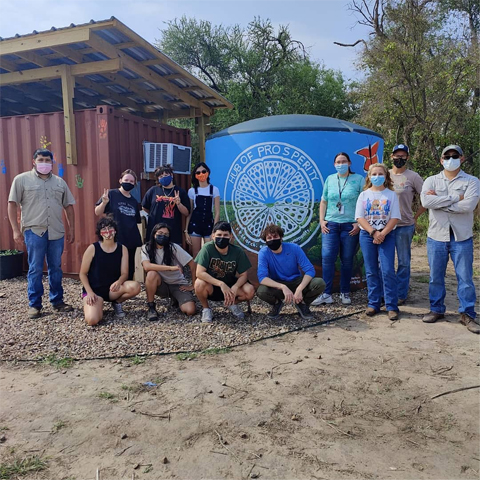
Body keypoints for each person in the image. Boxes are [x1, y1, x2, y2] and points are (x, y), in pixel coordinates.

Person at [7, 149, 76, 319]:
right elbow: (12, 204)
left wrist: (71, 229)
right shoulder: (21, 180)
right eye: (41, 159)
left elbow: (68, 206)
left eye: (47, 160)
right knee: (35, 268)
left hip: (56, 231)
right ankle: (35, 305)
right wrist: (16, 230)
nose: (44, 163)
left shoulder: (60, 183)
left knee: (56, 268)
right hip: (34, 231)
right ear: (34, 161)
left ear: (52, 162)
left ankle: (57, 301)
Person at [420, 145, 479, 334]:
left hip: (462, 236)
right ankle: (436, 309)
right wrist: (455, 198)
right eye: (447, 156)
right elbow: (426, 202)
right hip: (437, 235)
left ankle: (467, 314)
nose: (451, 159)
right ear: (441, 160)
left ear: (462, 158)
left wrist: (441, 202)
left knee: (465, 278)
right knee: (435, 277)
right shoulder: (431, 180)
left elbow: (468, 205)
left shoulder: (472, 181)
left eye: (455, 155)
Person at [312, 152, 364, 306]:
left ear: (349, 163)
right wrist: (322, 221)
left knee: (347, 260)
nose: (340, 164)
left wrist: (359, 223)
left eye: (343, 161)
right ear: (334, 165)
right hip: (331, 225)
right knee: (327, 258)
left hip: (350, 226)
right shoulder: (330, 179)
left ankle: (345, 292)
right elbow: (323, 201)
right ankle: (327, 294)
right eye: (338, 162)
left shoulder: (359, 179)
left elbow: (364, 202)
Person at [355, 163, 402, 320]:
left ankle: (391, 305)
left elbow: (395, 217)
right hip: (368, 235)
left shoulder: (391, 195)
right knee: (371, 270)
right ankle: (373, 303)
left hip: (387, 235)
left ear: (386, 176)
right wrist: (373, 232)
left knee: (387, 270)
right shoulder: (364, 195)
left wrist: (382, 233)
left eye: (380, 174)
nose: (377, 177)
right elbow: (359, 217)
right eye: (373, 174)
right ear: (369, 176)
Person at [79, 217, 141, 326]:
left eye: (110, 228)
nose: (108, 232)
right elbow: (83, 273)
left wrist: (118, 282)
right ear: (100, 232)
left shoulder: (122, 249)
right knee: (92, 320)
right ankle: (98, 305)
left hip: (112, 289)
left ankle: (117, 303)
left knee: (135, 286)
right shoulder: (93, 248)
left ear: (115, 230)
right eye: (104, 229)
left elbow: (124, 273)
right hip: (94, 290)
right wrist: (89, 292)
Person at [257, 224, 325, 319]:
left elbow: (309, 270)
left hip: (296, 281)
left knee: (319, 283)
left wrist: (300, 288)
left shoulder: (294, 248)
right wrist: (282, 287)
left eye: (275, 236)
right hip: (278, 284)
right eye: (269, 238)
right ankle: (277, 303)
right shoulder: (263, 253)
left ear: (281, 238)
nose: (272, 239)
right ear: (265, 241)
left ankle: (303, 303)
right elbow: (262, 278)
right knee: (261, 291)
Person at [195, 221, 255, 323]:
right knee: (199, 283)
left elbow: (244, 275)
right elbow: (199, 273)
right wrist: (220, 284)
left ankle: (231, 303)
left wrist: (235, 287)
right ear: (213, 236)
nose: (222, 238)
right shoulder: (207, 248)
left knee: (249, 290)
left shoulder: (237, 251)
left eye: (225, 235)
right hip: (212, 285)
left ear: (230, 236)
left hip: (230, 285)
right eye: (219, 235)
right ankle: (206, 309)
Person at [389, 144, 427, 304]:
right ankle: (388, 292)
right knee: (386, 261)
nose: (399, 158)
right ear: (391, 157)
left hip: (404, 225)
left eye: (403, 156)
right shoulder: (384, 175)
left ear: (407, 157)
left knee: (403, 261)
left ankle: (401, 294)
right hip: (385, 227)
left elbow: (427, 198)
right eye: (396, 155)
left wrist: (415, 216)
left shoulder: (413, 177)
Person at [141, 223, 197, 321]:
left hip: (178, 284)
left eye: (166, 234)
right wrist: (171, 268)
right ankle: (151, 307)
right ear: (154, 234)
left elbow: (193, 264)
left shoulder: (173, 247)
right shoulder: (146, 248)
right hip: (161, 285)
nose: (163, 236)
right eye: (160, 233)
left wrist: (193, 285)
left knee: (190, 311)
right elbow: (146, 266)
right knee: (151, 274)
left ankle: (176, 298)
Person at [95, 169, 142, 283]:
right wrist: (104, 202)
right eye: (126, 180)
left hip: (130, 238)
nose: (128, 182)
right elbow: (97, 212)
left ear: (134, 184)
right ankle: (110, 290)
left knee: (129, 266)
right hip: (113, 237)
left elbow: (136, 221)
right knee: (112, 264)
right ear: (120, 180)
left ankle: (125, 291)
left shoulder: (134, 202)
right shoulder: (111, 194)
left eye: (131, 181)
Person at [141, 165, 190, 245]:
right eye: (161, 176)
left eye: (166, 175)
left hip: (173, 234)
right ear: (158, 179)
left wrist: (179, 204)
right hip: (154, 233)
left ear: (171, 175)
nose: (164, 177)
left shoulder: (180, 192)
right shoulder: (153, 190)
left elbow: (186, 212)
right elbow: (145, 207)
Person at [185, 162, 220, 258]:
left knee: (210, 253)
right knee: (196, 254)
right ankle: (196, 273)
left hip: (209, 224)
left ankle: (207, 273)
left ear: (208, 172)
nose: (201, 174)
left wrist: (215, 229)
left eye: (203, 171)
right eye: (198, 172)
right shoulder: (192, 191)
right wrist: (186, 230)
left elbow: (217, 212)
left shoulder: (214, 190)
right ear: (195, 175)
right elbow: (190, 211)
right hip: (195, 225)